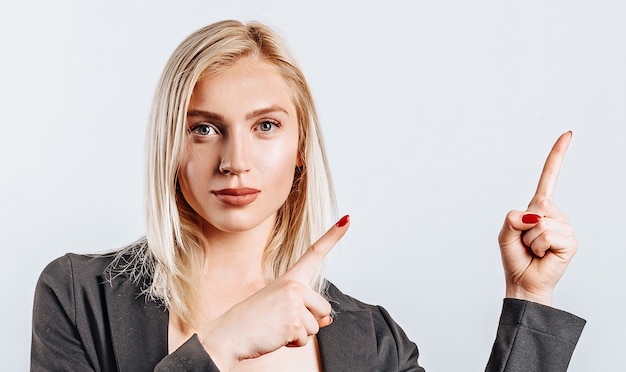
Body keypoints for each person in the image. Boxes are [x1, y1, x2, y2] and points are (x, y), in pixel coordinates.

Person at [30, 20, 585, 371]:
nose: (235, 160)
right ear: (170, 147)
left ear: (300, 147)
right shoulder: (80, 297)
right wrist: (219, 347)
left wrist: (529, 298)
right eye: (203, 128)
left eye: (266, 126)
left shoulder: (370, 339)